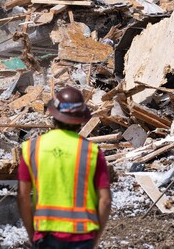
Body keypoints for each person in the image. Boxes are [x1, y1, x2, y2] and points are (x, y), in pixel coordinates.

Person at [17, 86, 112, 249]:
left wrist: (32, 235)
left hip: (46, 235)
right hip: (83, 236)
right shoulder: (92, 152)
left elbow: (23, 197)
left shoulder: (32, 148)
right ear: (81, 119)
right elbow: (105, 200)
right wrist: (95, 238)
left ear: (54, 115)